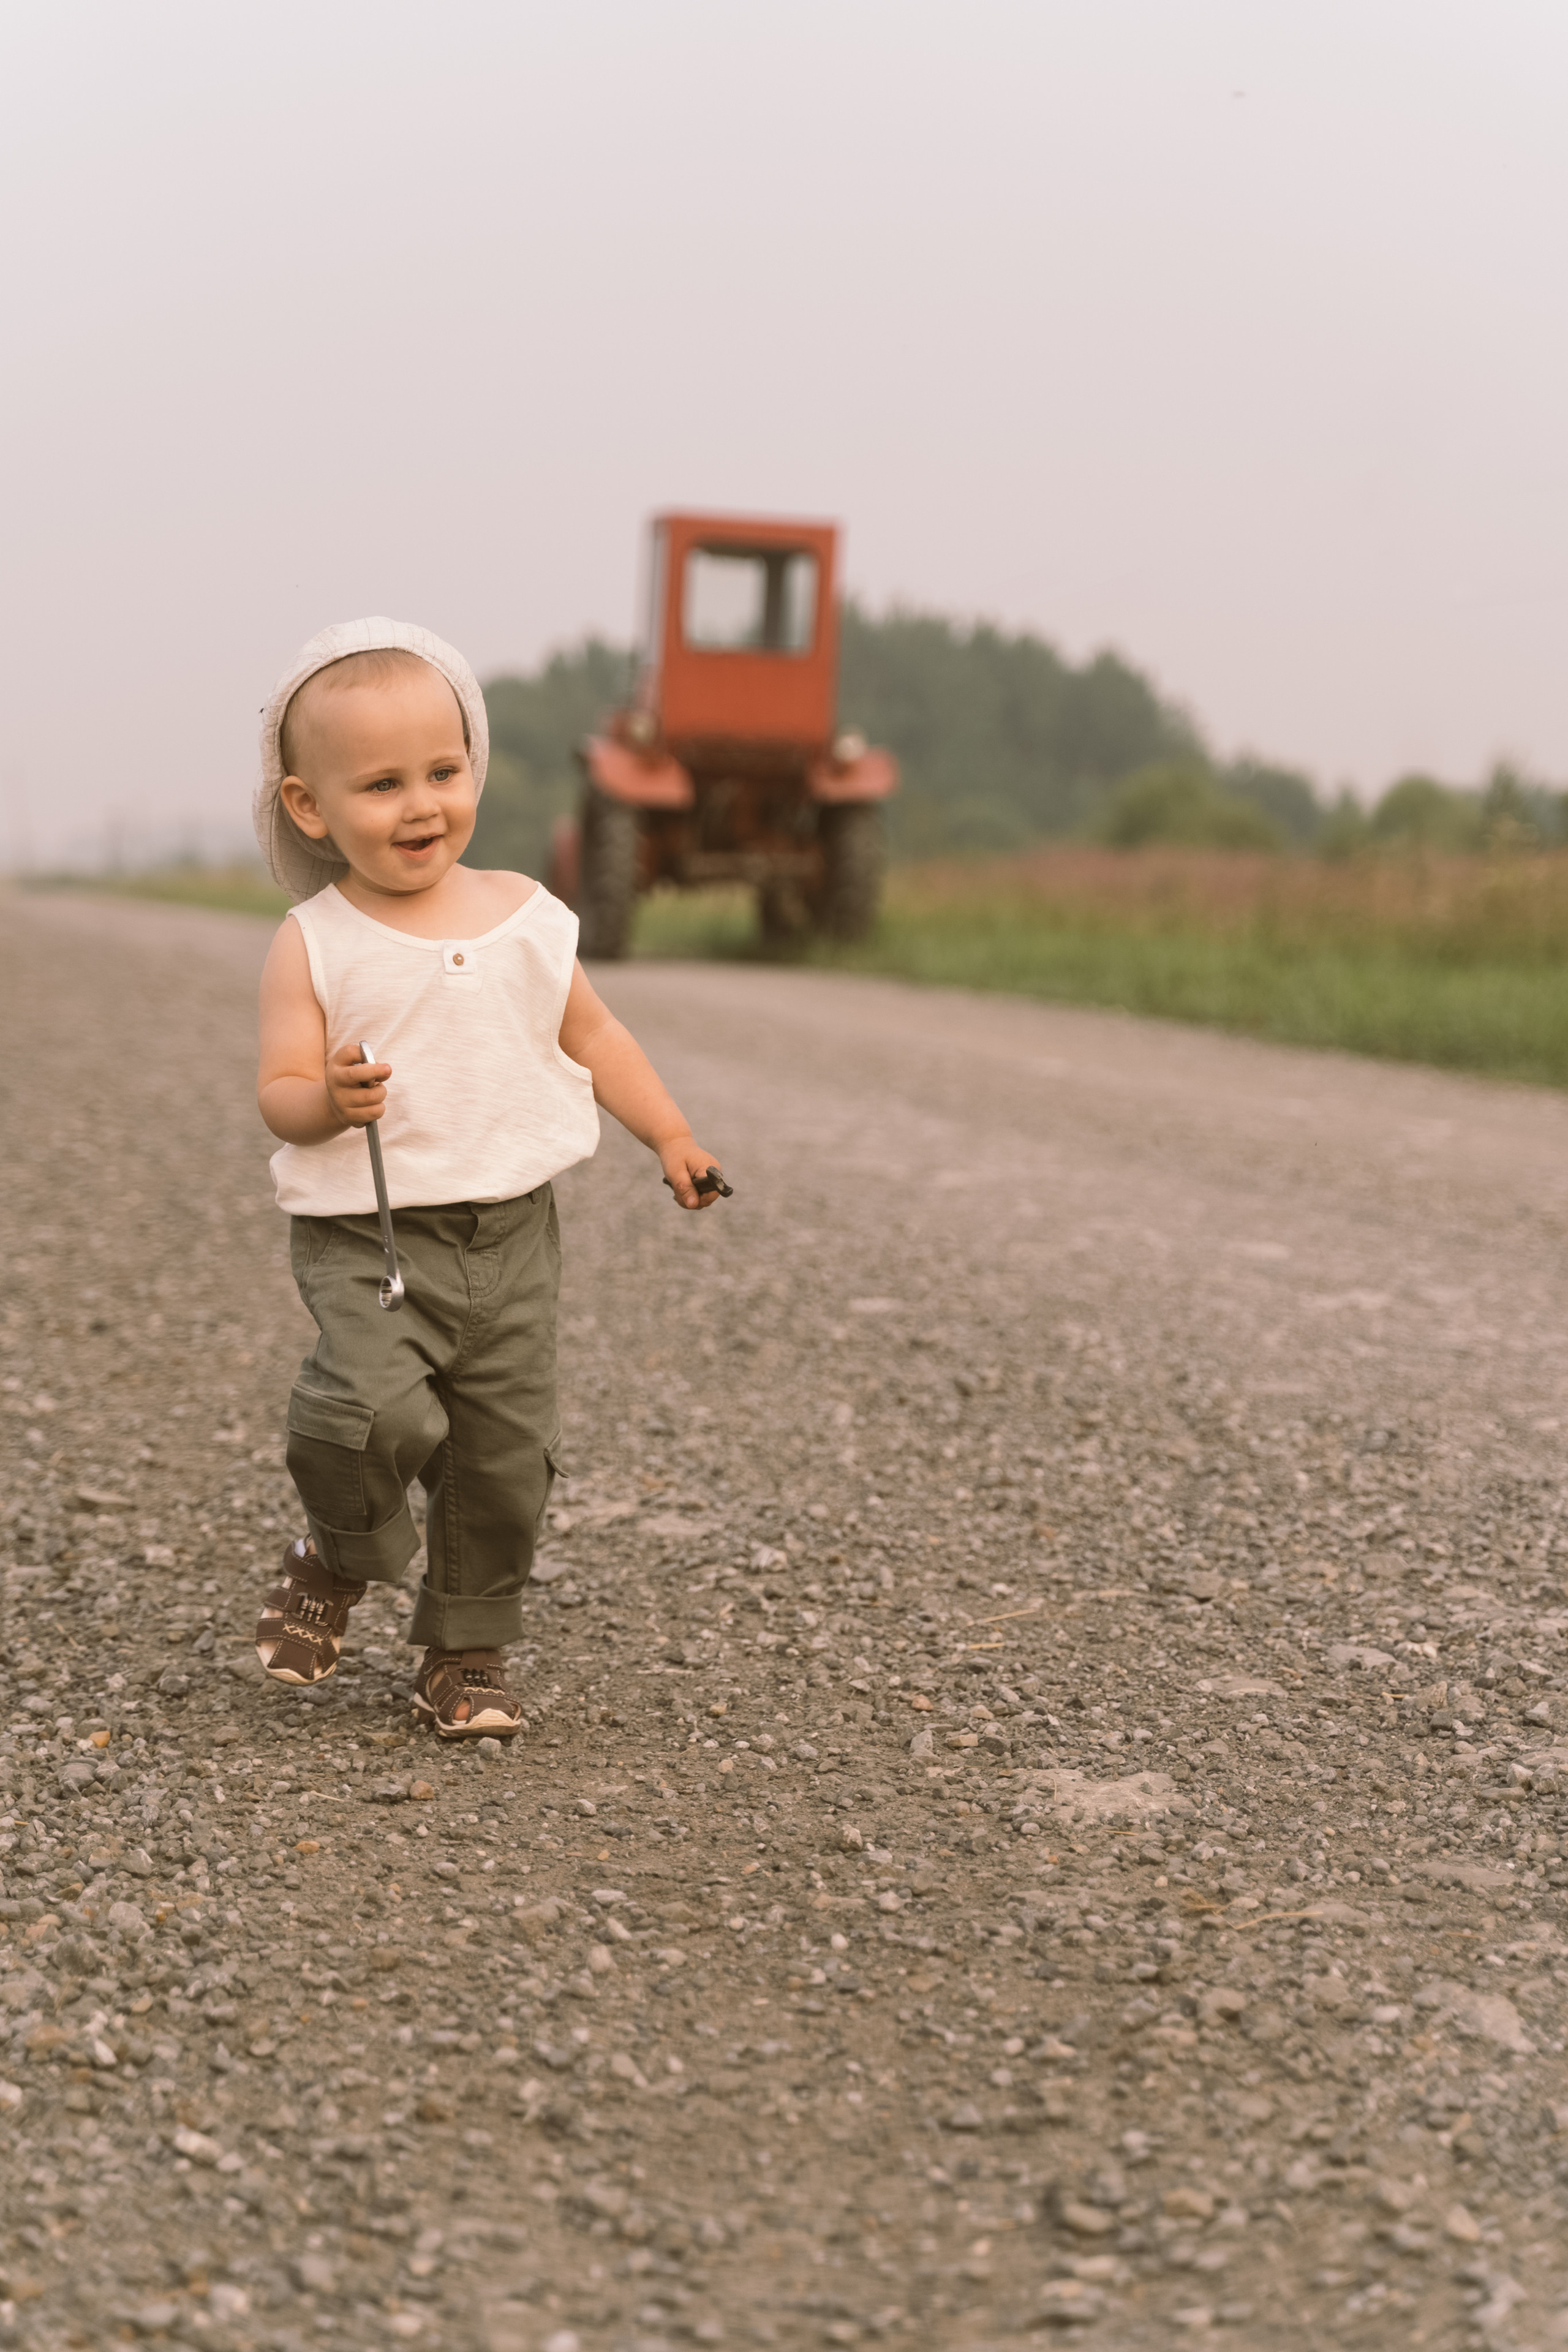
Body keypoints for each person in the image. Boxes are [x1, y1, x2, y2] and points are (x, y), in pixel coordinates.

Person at [250, 617, 724, 1737]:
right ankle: (337, 1551)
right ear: (311, 808)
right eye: (380, 784)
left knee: (502, 1458)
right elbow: (277, 1089)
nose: (422, 805)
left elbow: (599, 1041)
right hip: (371, 1234)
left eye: (444, 772)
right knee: (361, 1415)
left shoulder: (529, 919)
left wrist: (673, 1137)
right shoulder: (314, 940)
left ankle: (465, 1653)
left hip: (512, 1236)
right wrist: (328, 1099)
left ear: (476, 770)